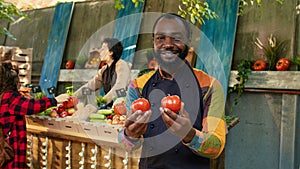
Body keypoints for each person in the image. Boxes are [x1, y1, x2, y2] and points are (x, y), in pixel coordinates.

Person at [118, 13, 226, 169]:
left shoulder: (209, 86)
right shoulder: (138, 86)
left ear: (188, 41)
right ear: (153, 43)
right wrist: (130, 135)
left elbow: (216, 147)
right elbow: (127, 145)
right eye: (160, 38)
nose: (167, 44)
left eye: (176, 38)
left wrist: (189, 134)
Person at [0, 62, 67, 169]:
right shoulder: (10, 97)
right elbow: (32, 106)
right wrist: (55, 100)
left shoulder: (4, 95)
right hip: (12, 150)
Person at [74, 38, 131, 107]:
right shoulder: (104, 70)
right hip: (110, 108)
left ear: (111, 52)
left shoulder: (122, 65)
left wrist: (102, 102)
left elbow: (120, 87)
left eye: (103, 49)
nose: (100, 51)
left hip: (124, 107)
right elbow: (90, 87)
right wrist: (73, 96)